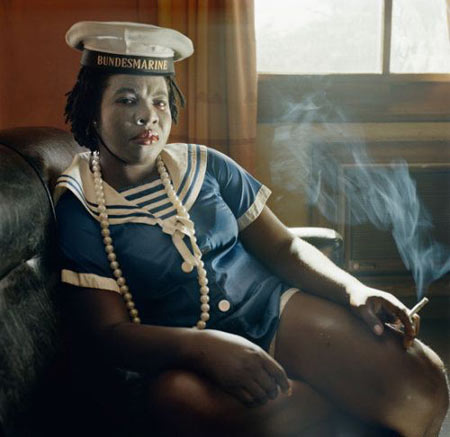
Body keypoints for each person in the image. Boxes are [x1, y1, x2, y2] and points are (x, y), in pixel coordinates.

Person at [55, 21, 448, 436]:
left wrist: (354, 290)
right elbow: (108, 333)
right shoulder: (82, 203)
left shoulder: (207, 165)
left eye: (160, 100)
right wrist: (203, 347)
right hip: (181, 357)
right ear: (92, 111)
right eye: (126, 99)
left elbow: (284, 249)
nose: (147, 115)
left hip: (273, 311)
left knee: (422, 384)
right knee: (180, 401)